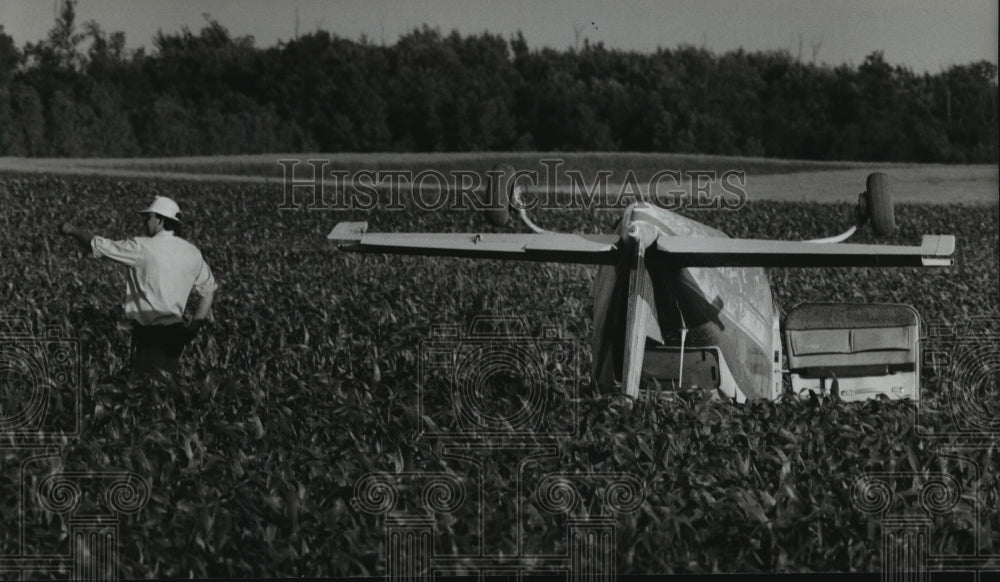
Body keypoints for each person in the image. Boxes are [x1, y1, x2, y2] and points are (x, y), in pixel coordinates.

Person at [60, 195, 218, 379]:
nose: (145, 221)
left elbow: (99, 245)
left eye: (148, 217)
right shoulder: (192, 252)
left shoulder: (143, 247)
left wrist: (72, 230)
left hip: (151, 336)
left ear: (160, 219)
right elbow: (209, 291)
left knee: (146, 392)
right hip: (177, 334)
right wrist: (193, 327)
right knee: (167, 389)